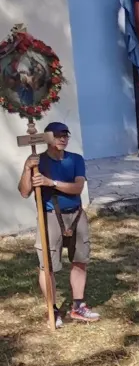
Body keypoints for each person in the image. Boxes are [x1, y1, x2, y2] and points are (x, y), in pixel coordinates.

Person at [17, 121, 98, 325]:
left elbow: (77, 188)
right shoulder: (38, 161)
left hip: (76, 214)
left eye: (66, 135)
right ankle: (52, 309)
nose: (63, 138)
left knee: (80, 260)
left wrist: (51, 183)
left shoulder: (76, 160)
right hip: (50, 216)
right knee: (48, 265)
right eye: (58, 135)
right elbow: (24, 191)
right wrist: (28, 169)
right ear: (48, 138)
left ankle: (78, 306)